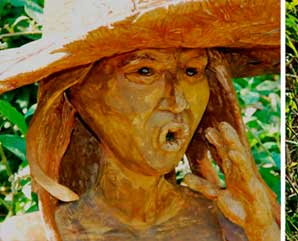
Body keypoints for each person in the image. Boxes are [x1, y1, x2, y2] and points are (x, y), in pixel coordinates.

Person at [0, 1, 280, 240]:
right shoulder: (27, 236)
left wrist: (262, 231)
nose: (178, 101)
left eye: (192, 71)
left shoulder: (234, 225)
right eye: (145, 71)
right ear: (78, 93)